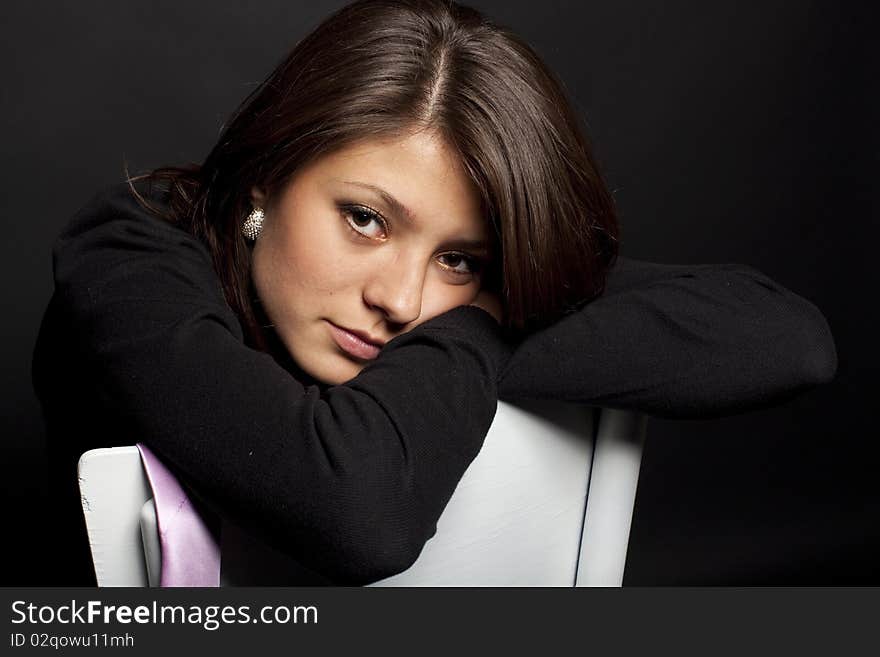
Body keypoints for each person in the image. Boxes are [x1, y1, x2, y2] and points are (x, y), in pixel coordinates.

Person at [33, 0, 836, 585]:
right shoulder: (127, 254)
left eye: (460, 259)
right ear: (266, 177)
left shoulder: (458, 302)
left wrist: (481, 318)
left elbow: (786, 340)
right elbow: (357, 511)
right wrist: (484, 325)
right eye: (366, 219)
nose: (404, 300)